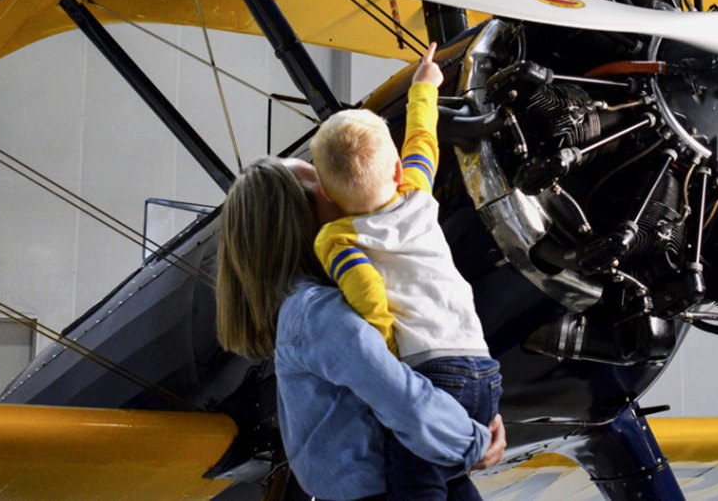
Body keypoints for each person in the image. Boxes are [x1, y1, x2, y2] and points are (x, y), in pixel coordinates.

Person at [215, 156, 505, 501]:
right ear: (296, 217)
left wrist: (468, 413)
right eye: (320, 182)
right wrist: (471, 438)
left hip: (418, 480)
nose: (337, 186)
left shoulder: (321, 301)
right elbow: (400, 394)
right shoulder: (315, 311)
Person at [309, 42, 501, 500]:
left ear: (330, 197)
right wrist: (425, 87)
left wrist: (391, 363)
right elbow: (423, 139)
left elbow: (370, 299)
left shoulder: (336, 238)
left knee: (416, 484)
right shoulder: (415, 190)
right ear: (396, 171)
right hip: (483, 369)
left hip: (430, 373)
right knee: (455, 479)